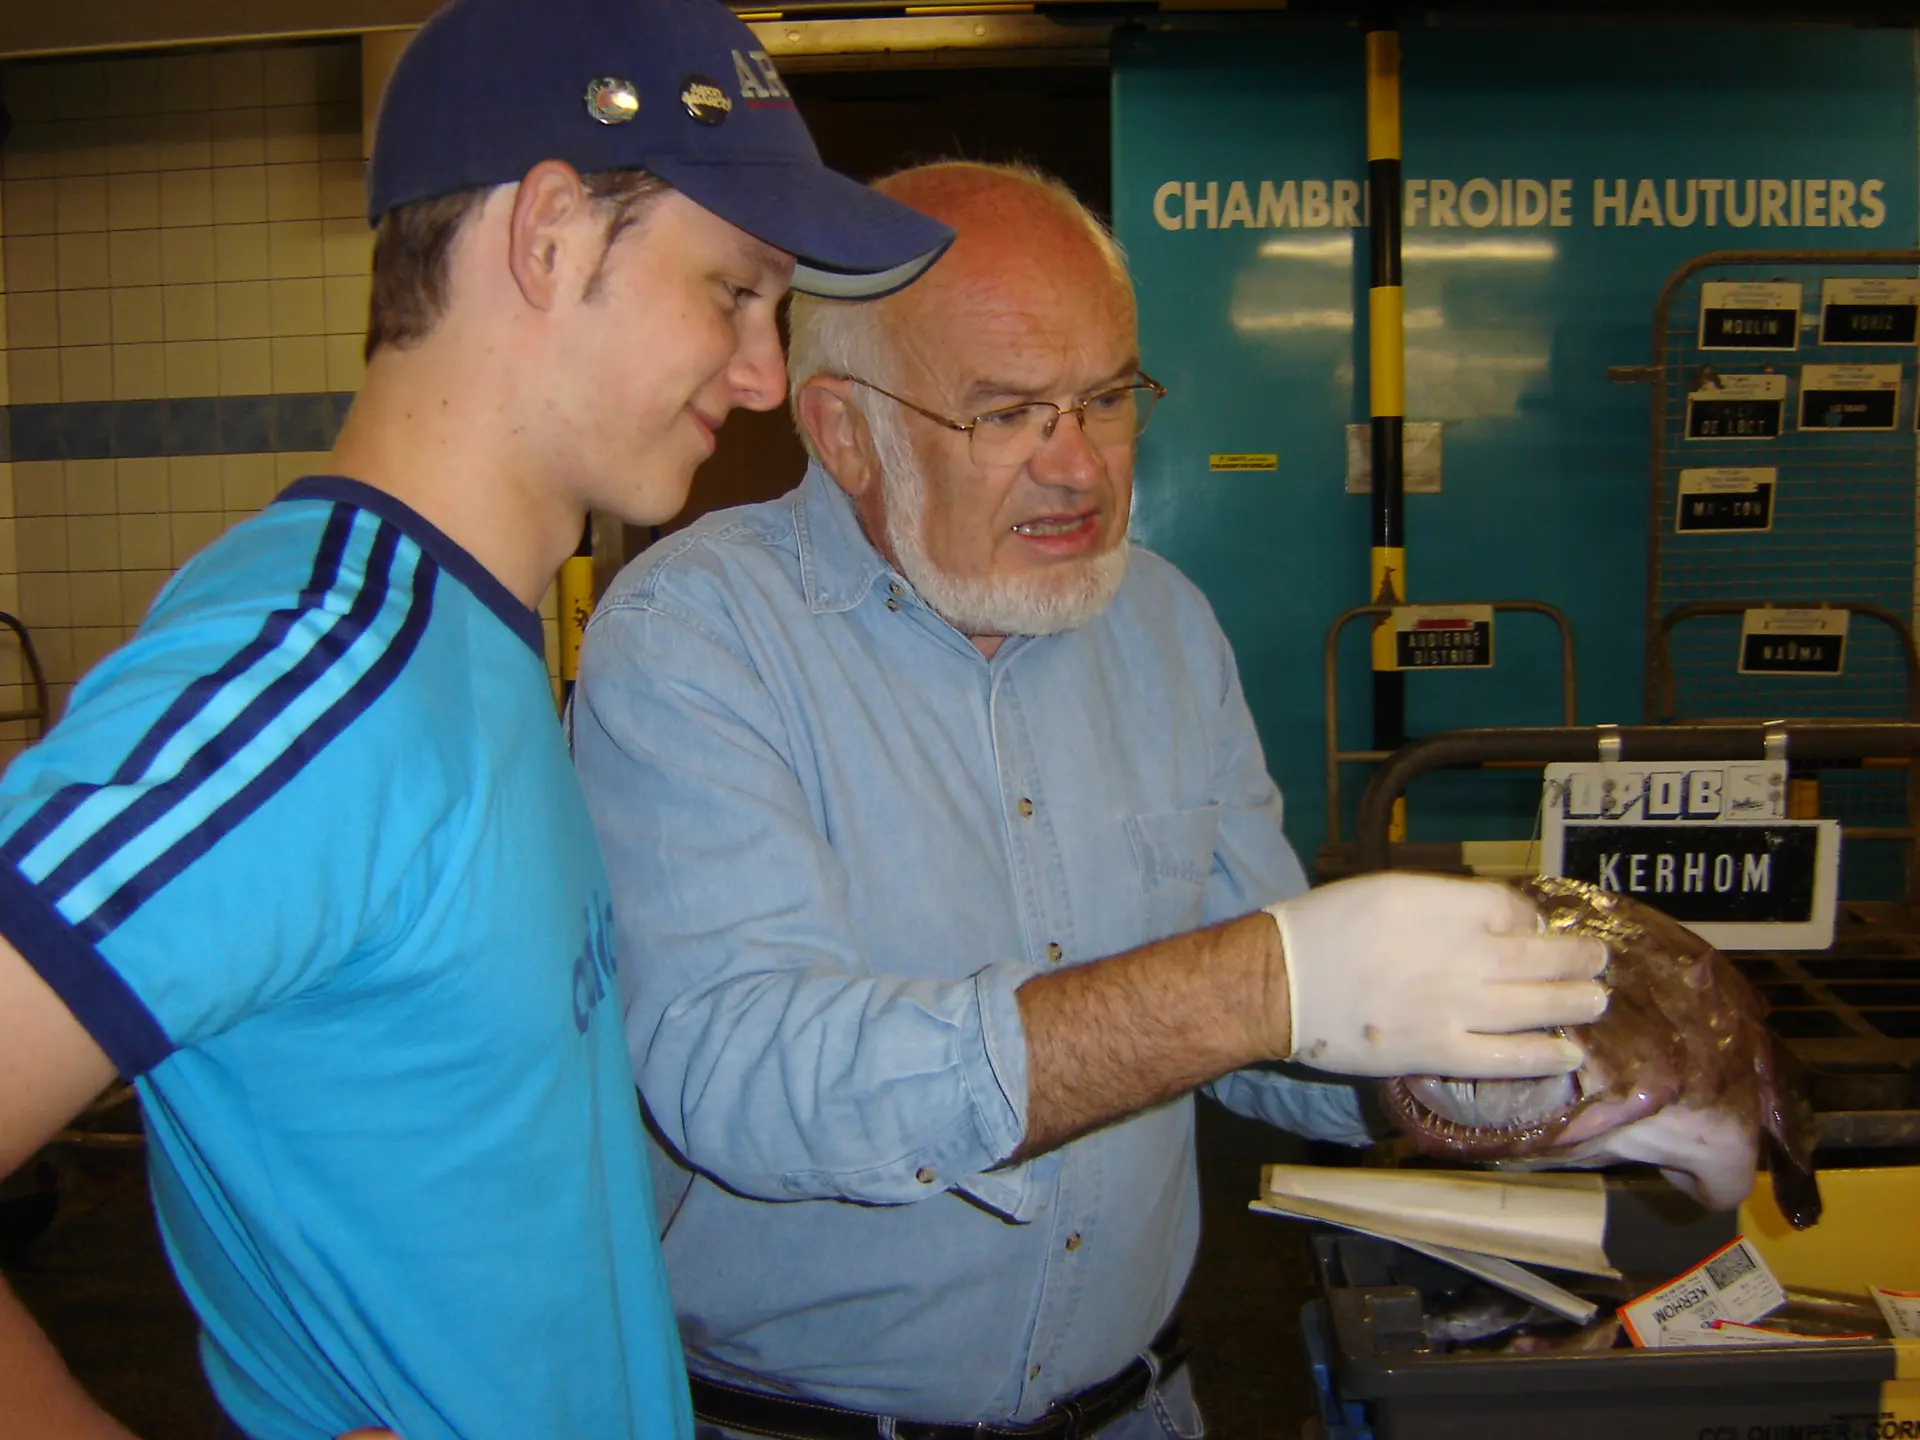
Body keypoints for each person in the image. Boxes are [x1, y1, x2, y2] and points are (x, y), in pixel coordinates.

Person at [0, 0, 953, 1434]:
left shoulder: (465, 645)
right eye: (735, 292)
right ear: (551, 235)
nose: (765, 372)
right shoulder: (318, 673)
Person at [570, 161, 1606, 1440]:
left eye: (1107, 399)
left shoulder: (1166, 625)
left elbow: (1270, 1037)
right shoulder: (692, 638)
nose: (1081, 470)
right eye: (1007, 414)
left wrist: (1473, 1079)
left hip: (1143, 1409)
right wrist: (1254, 982)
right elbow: (746, 1075)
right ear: (845, 432)